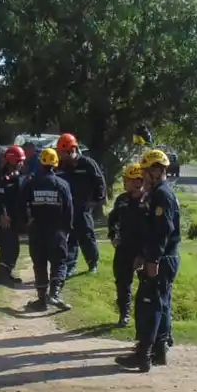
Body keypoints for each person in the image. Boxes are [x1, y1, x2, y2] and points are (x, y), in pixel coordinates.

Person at [117, 149, 180, 373]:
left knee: (148, 304)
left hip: (162, 258)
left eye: (145, 171)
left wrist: (152, 258)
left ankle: (143, 354)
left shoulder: (162, 194)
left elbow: (163, 230)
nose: (142, 176)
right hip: (162, 256)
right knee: (160, 304)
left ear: (156, 170)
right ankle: (159, 351)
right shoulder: (157, 192)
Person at [21, 146, 73, 312]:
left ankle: (42, 300)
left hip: (37, 230)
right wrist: (67, 229)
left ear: (40, 163)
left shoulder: (31, 183)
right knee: (59, 262)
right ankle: (55, 293)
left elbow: (21, 204)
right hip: (56, 231)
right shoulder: (63, 184)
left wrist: (25, 224)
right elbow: (69, 209)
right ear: (56, 164)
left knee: (39, 264)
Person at [56, 133, 106, 278]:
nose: (61, 156)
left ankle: (93, 264)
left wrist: (96, 200)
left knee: (86, 235)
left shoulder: (88, 164)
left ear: (72, 150)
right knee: (69, 237)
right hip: (66, 208)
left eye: (63, 153)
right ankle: (70, 266)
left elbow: (100, 183)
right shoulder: (60, 166)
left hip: (83, 207)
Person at [107, 163, 149, 328]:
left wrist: (145, 253)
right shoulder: (122, 200)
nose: (127, 183)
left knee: (146, 285)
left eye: (130, 180)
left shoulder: (149, 200)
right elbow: (113, 220)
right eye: (126, 180)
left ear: (139, 181)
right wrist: (113, 235)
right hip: (124, 248)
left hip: (143, 250)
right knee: (122, 283)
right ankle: (124, 315)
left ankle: (145, 319)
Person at [0, 144, 26, 285]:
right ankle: (2, 275)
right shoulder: (0, 178)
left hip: (14, 217)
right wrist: (3, 215)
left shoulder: (20, 176)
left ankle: (4, 273)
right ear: (10, 160)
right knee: (9, 246)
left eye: (22, 160)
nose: (21, 163)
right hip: (2, 218)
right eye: (18, 160)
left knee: (12, 246)